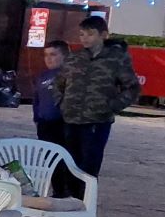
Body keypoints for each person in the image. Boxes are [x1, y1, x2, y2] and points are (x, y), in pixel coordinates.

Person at [55, 14, 139, 182]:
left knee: (88, 167)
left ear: (103, 35)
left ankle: (85, 202)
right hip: (71, 119)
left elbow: (132, 87)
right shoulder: (75, 58)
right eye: (82, 34)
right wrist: (61, 103)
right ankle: (67, 200)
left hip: (96, 121)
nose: (85, 38)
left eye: (90, 34)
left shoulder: (116, 59)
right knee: (69, 164)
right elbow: (59, 83)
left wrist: (111, 106)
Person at [32, 41, 77, 198]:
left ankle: (68, 193)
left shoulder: (69, 75)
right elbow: (37, 98)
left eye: (53, 55)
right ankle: (57, 191)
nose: (49, 59)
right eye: (46, 55)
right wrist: (37, 117)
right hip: (45, 124)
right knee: (49, 161)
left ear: (64, 56)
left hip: (62, 124)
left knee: (63, 160)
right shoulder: (42, 76)